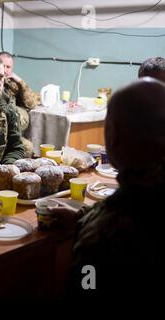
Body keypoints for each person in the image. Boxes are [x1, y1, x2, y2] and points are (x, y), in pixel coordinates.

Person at [48, 77, 165, 303]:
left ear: (112, 133)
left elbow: (84, 289)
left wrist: (91, 226)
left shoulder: (101, 238)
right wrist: (84, 216)